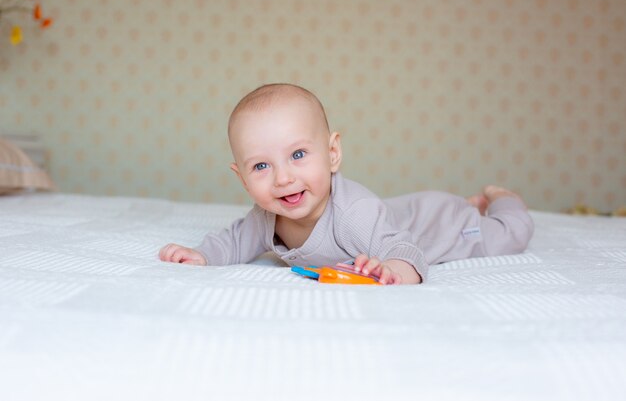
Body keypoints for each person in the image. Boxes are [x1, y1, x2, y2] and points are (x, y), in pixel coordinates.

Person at [159, 83, 534, 284]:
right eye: (261, 165)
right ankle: (472, 203)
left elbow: (403, 247)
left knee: (510, 235)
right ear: (241, 178)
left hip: (440, 224)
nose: (283, 178)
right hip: (403, 211)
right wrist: (202, 255)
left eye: (298, 155)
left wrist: (394, 271)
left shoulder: (354, 213)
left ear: (333, 152)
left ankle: (498, 199)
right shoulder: (266, 215)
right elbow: (234, 241)